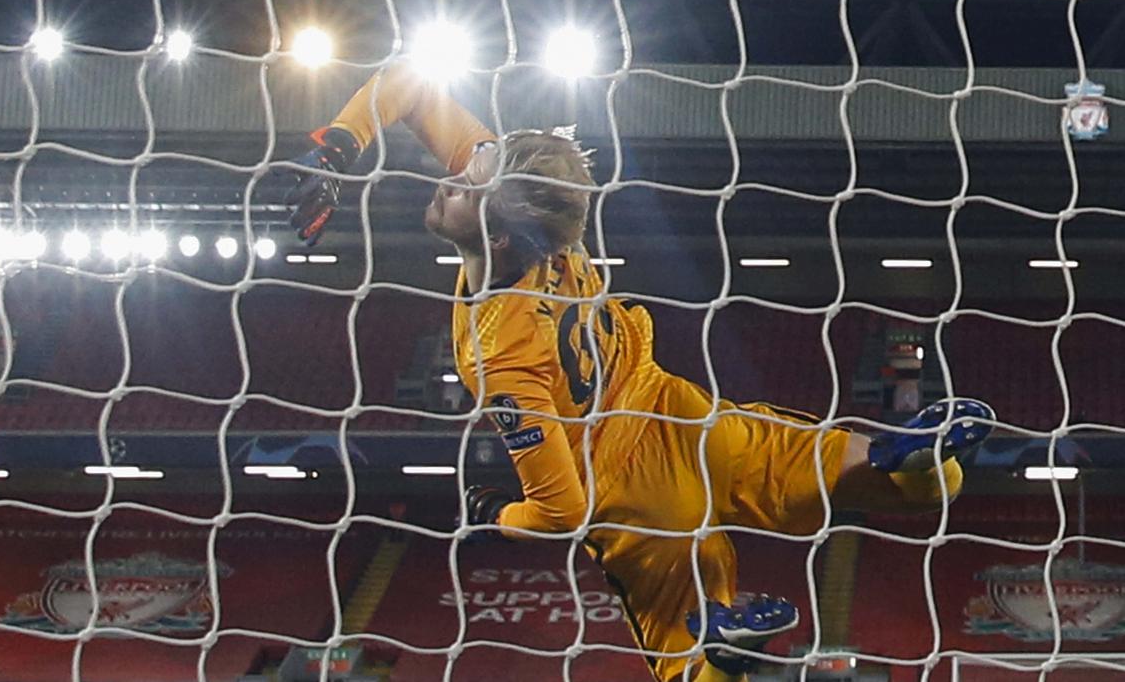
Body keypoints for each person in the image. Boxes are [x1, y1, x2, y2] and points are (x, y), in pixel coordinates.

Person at [284, 63, 996, 682]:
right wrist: (336, 146)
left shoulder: (496, 350)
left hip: (631, 495)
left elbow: (562, 510)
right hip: (681, 416)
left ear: (494, 233)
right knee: (847, 469)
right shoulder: (546, 226)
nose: (450, 177)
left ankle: (721, 655)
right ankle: (921, 463)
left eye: (464, 181)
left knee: (682, 648)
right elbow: (412, 86)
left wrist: (494, 516)